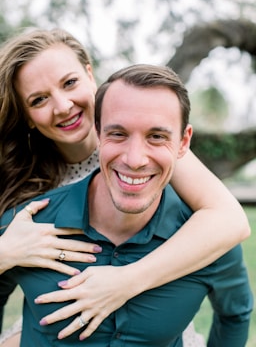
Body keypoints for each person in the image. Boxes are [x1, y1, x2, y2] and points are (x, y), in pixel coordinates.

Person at [0, 29, 250, 345]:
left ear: (90, 75)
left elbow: (229, 220)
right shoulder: (22, 183)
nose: (63, 106)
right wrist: (5, 251)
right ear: (27, 117)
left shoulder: (144, 150)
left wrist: (126, 281)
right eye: (39, 99)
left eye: (70, 83)